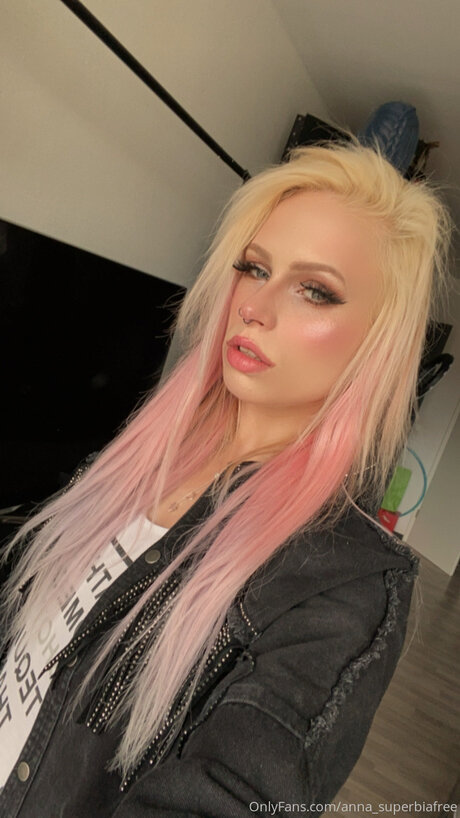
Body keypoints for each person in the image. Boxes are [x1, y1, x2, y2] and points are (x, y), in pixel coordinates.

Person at [0, 141, 451, 817]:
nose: (254, 307)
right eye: (254, 268)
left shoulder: (344, 581)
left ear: (376, 343)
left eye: (315, 290)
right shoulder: (148, 452)